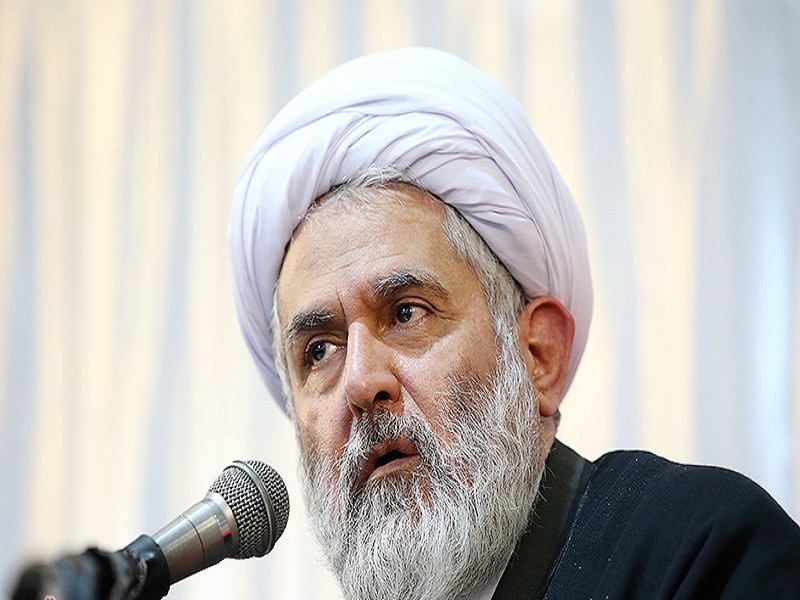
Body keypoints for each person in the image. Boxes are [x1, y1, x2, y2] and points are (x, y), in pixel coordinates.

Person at [228, 47, 800, 600]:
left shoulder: (697, 553)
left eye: (406, 313)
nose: (359, 382)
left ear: (538, 354)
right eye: (320, 350)